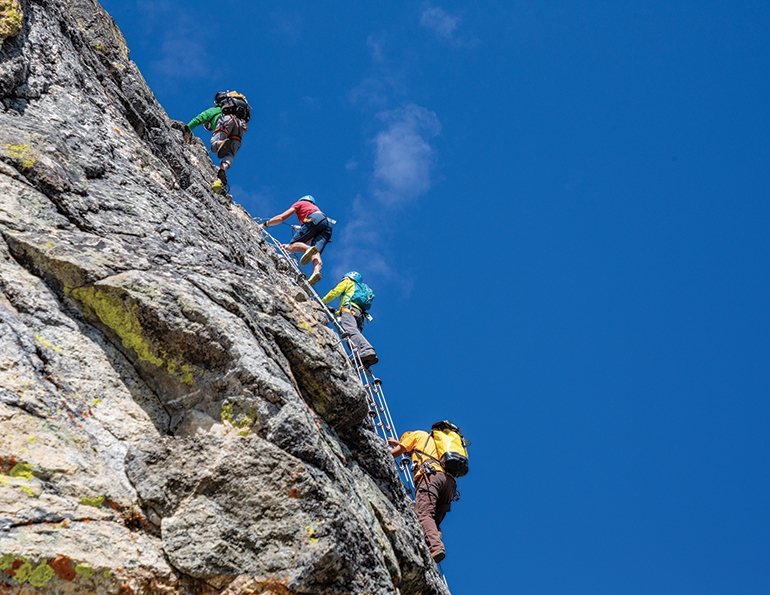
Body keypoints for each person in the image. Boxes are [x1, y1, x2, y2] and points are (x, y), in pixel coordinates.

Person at [388, 426, 458, 563]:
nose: (408, 456)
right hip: (449, 484)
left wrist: (385, 453)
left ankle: (436, 547)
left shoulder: (414, 435)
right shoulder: (433, 441)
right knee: (433, 521)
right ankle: (433, 546)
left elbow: (400, 450)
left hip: (431, 477)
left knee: (424, 514)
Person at [184, 91, 251, 194]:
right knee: (230, 154)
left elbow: (198, 119)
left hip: (227, 121)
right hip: (240, 126)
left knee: (214, 146)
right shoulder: (236, 111)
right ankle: (223, 169)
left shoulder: (216, 110)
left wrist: (185, 129)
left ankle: (221, 143)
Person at [261, 195, 332, 285]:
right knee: (316, 252)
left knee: (294, 246)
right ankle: (316, 272)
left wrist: (265, 224)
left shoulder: (300, 203)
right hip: (327, 225)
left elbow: (281, 218)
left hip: (313, 220)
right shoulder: (315, 208)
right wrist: (293, 248)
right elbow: (307, 239)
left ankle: (308, 250)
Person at [322, 272, 378, 368]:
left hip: (348, 310)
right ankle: (363, 357)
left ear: (348, 277)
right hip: (360, 316)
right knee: (351, 336)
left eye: (343, 278)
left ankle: (366, 350)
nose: (342, 279)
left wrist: (322, 302)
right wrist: (335, 312)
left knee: (350, 331)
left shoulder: (348, 283)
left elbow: (334, 292)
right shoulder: (359, 289)